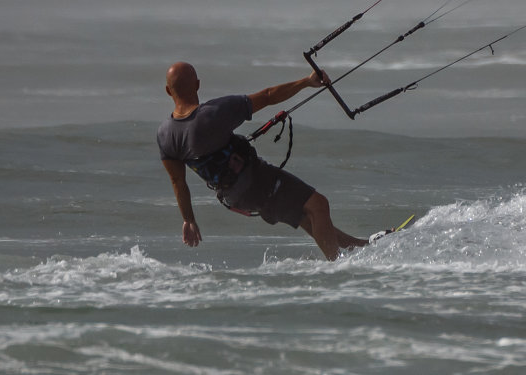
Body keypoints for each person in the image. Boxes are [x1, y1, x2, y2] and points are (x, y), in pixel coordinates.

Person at [157, 62, 368, 261]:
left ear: (168, 91)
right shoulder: (213, 113)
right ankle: (338, 266)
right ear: (197, 85)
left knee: (305, 214)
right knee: (319, 205)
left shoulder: (165, 134)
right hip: (257, 180)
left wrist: (189, 220)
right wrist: (306, 82)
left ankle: (359, 246)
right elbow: (267, 96)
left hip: (234, 198)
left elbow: (178, 182)